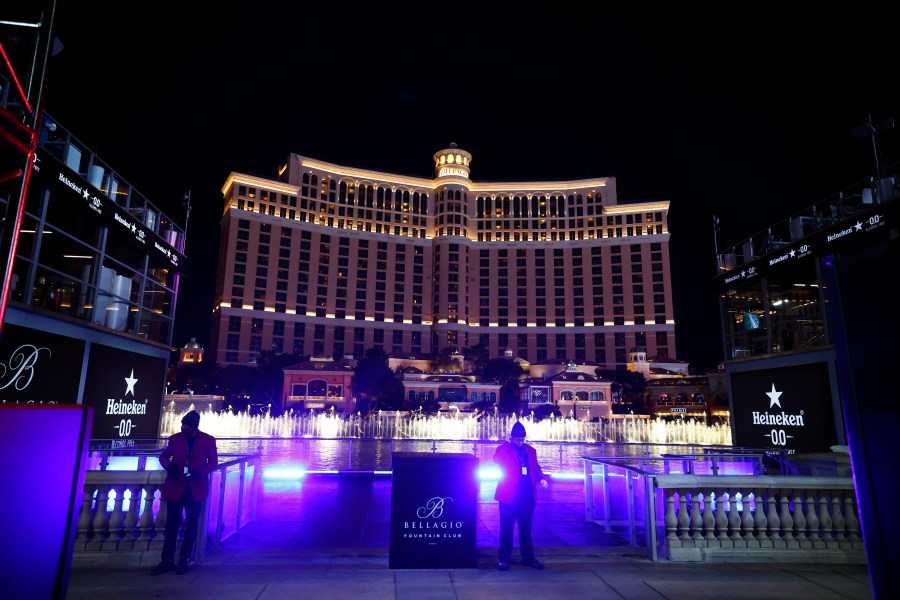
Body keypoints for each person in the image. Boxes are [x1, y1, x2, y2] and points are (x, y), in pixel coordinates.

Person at [150, 410, 218, 576]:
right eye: (182, 425)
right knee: (172, 524)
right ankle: (166, 560)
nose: (182, 428)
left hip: (195, 488)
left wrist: (201, 473)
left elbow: (213, 462)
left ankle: (184, 559)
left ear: (193, 427)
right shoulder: (175, 438)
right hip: (176, 486)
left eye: (186, 426)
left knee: (192, 523)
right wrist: (170, 467)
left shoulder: (208, 440)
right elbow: (163, 457)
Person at [493, 421, 549, 571]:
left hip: (527, 497)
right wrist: (506, 444)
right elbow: (496, 459)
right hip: (509, 496)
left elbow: (535, 468)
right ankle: (504, 559)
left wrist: (541, 478)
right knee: (506, 529)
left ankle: (528, 558)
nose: (520, 442)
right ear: (512, 438)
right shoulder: (505, 449)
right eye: (517, 439)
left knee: (526, 530)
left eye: (522, 439)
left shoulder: (530, 450)